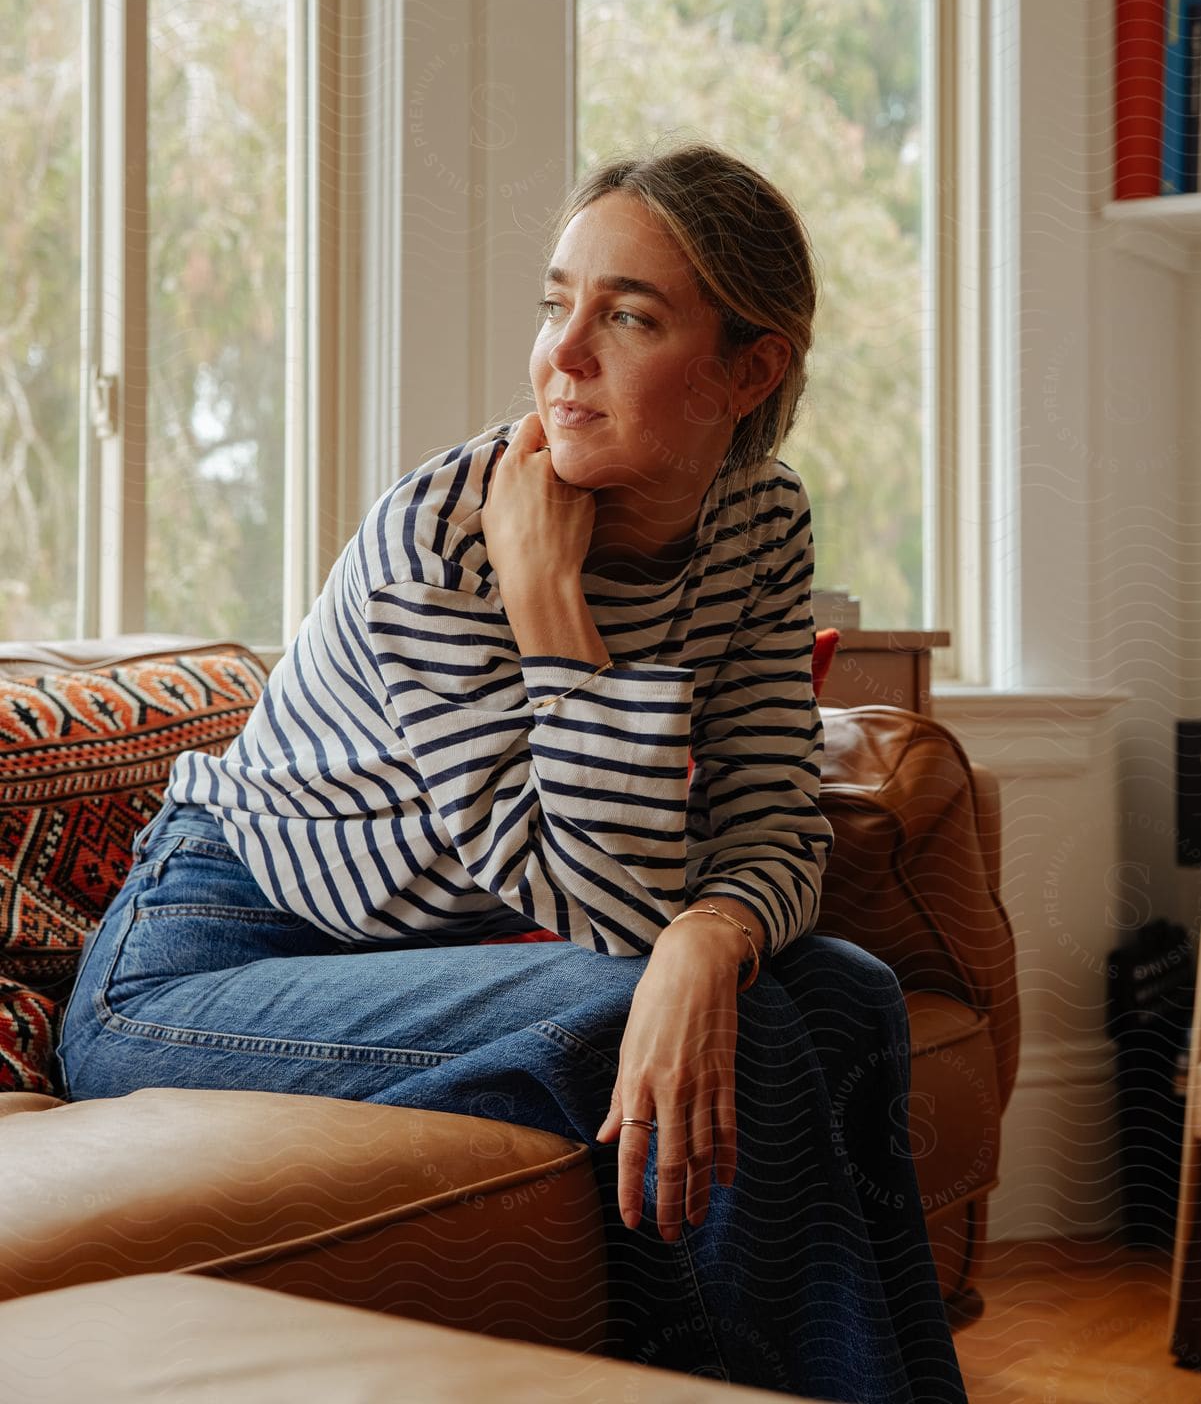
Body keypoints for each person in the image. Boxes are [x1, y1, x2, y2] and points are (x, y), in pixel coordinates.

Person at [56, 144, 968, 1403]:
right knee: (711, 1020)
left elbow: (768, 817)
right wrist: (544, 595)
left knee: (848, 991)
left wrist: (711, 937)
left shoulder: (760, 521)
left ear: (748, 370)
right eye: (557, 303)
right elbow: (599, 911)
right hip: (203, 965)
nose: (564, 353)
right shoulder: (444, 535)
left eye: (628, 315)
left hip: (421, 962)